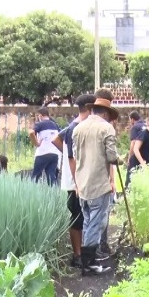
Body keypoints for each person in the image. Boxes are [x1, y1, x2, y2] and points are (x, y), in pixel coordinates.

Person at [72, 90, 120, 276]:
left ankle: (87, 261)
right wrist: (119, 160)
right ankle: (89, 264)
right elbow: (111, 156)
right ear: (106, 113)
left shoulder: (78, 128)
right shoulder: (106, 129)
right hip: (98, 183)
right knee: (97, 223)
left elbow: (76, 156)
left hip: (82, 183)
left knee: (87, 222)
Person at [52, 93, 96, 268]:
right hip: (75, 183)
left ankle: (83, 253)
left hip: (79, 180)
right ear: (90, 108)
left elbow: (56, 139)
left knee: (82, 217)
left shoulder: (74, 126)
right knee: (77, 218)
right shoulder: (75, 128)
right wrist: (76, 177)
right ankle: (77, 255)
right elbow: (71, 157)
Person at [126, 114, 149, 187]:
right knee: (131, 186)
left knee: (145, 185)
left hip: (147, 163)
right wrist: (142, 163)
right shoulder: (144, 133)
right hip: (136, 163)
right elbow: (135, 149)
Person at [29, 107, 62, 185]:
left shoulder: (40, 124)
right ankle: (53, 195)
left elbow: (31, 132)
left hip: (42, 153)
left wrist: (36, 143)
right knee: (51, 177)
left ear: (40, 115)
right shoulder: (55, 125)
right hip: (54, 154)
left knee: (35, 177)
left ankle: (32, 194)